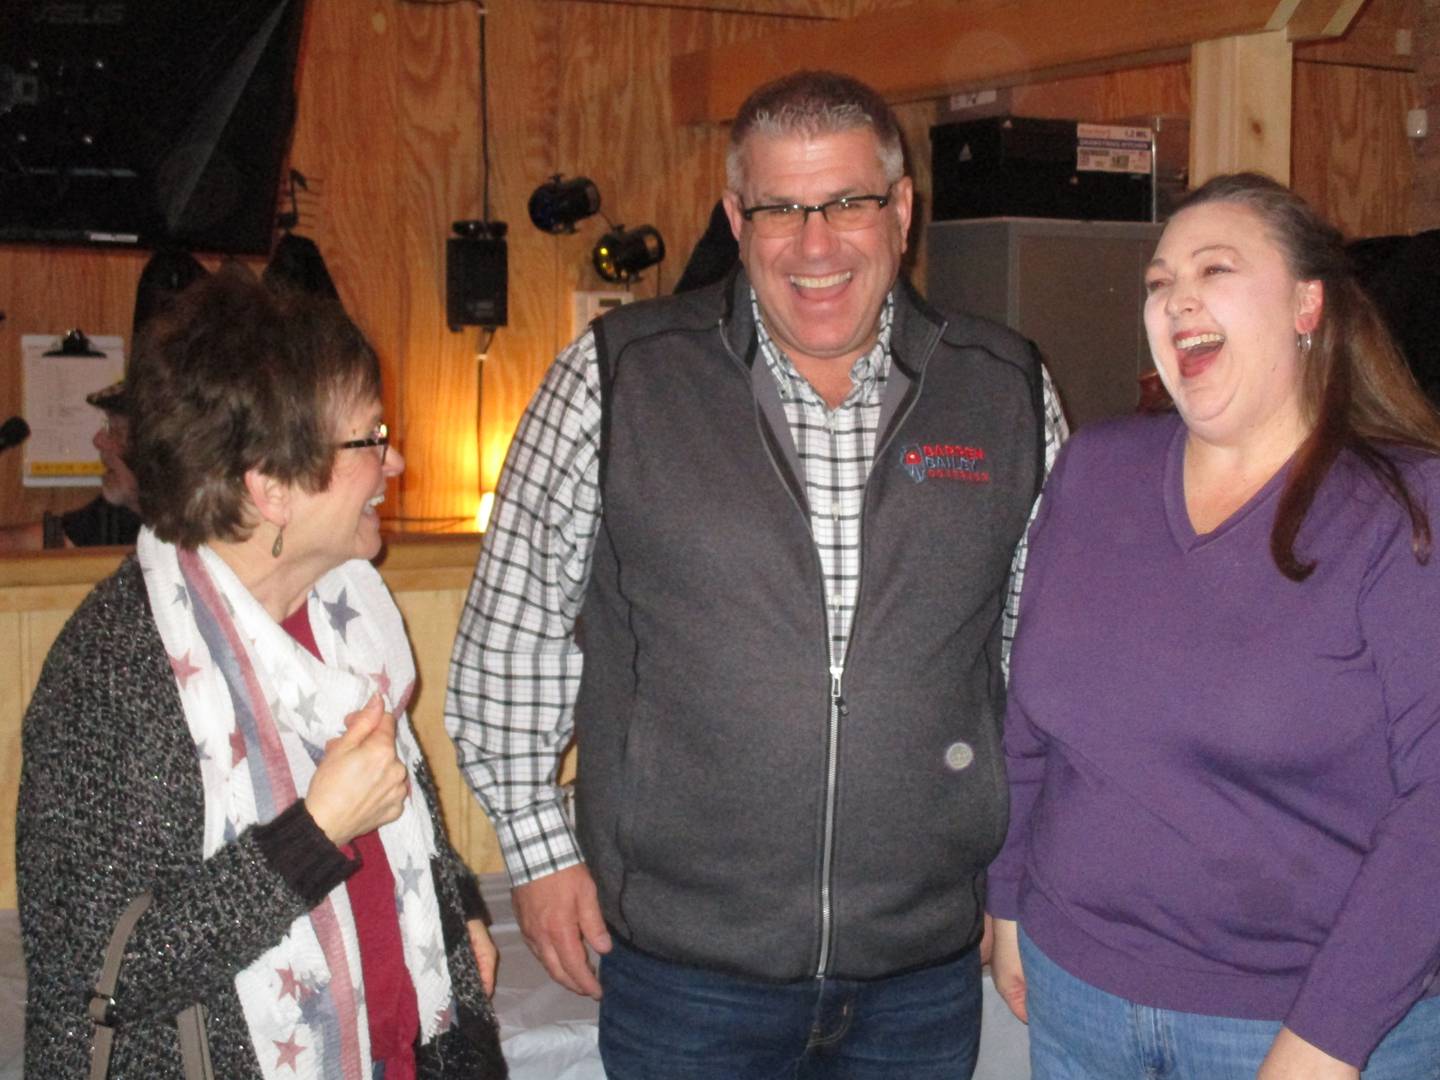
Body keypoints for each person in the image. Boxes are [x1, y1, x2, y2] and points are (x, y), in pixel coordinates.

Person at [446, 69, 1065, 1078]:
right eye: (781, 208)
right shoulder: (616, 378)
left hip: (920, 977)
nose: (815, 245)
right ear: (738, 219)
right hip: (688, 977)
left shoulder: (1006, 389)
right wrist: (541, 849)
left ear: (902, 211)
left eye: (850, 204)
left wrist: (1016, 882)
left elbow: (1041, 672)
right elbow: (511, 640)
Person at [987, 172, 1440, 1079]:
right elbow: (1031, 720)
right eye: (1159, 282)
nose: (1175, 296)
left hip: (1307, 1022)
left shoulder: (1404, 508)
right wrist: (1006, 903)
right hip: (1079, 991)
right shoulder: (1094, 471)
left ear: (1309, 304)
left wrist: (1324, 1043)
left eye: (1215, 268)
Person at [18, 270, 507, 1079]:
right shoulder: (115, 671)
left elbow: (401, 815)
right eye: (369, 437)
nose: (397, 461)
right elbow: (101, 984)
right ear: (270, 486)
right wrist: (312, 836)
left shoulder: (350, 616)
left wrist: (463, 918)